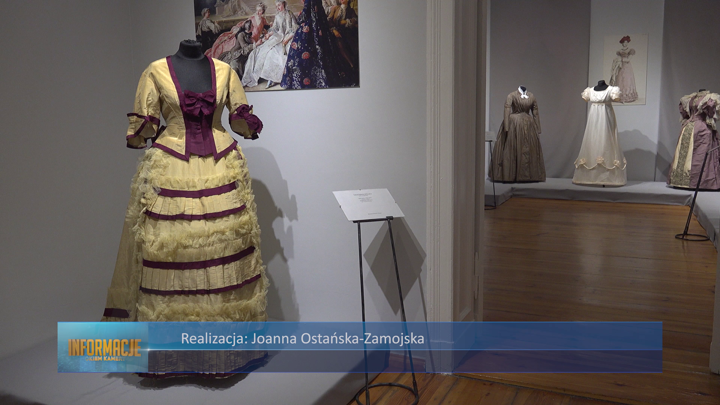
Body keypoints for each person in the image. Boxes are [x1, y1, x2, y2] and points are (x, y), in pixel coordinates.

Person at [102, 40, 267, 376]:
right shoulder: (155, 70)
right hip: (171, 166)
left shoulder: (225, 70)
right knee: (172, 251)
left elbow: (239, 118)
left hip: (221, 164)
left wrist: (246, 121)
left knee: (222, 246)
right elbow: (146, 124)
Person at [573, 83, 627, 186]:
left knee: (607, 142)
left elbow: (616, 98)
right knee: (592, 141)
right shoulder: (589, 91)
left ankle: (608, 177)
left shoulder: (612, 90)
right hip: (594, 119)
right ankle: (591, 177)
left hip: (606, 118)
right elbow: (585, 98)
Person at [281, 0, 343, 89]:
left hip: (308, 30)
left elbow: (304, 16)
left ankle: (307, 82)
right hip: (319, 27)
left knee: (300, 55)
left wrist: (300, 16)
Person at [490, 87, 546, 182]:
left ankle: (529, 176)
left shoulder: (531, 96)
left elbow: (535, 112)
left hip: (528, 125)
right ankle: (510, 175)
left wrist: (538, 128)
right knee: (512, 147)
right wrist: (506, 127)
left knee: (528, 147)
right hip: (514, 124)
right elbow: (507, 109)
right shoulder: (512, 95)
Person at [667, 91, 720, 189]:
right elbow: (684, 113)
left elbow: (711, 114)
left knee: (700, 155)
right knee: (684, 154)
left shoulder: (710, 97)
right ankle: (679, 180)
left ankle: (700, 183)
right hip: (688, 128)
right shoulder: (690, 97)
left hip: (702, 130)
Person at [242, 0, 299, 89]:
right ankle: (267, 77)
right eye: (276, 6)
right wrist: (269, 34)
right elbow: (275, 28)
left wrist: (287, 39)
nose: (277, 7)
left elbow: (294, 29)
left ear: (284, 4)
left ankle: (275, 78)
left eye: (279, 5)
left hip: (288, 38)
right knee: (263, 51)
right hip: (278, 37)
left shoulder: (289, 14)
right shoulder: (277, 16)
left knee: (278, 54)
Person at [327, 0, 359, 86]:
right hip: (336, 33)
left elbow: (355, 20)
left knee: (353, 48)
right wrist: (334, 30)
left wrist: (346, 21)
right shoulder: (336, 8)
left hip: (348, 33)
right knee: (340, 45)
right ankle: (351, 66)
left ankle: (353, 69)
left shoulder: (350, 10)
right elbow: (329, 20)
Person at [609, 36, 638, 103]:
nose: (625, 44)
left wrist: (620, 59)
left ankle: (627, 96)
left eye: (626, 42)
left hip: (627, 67)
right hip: (620, 66)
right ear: (622, 43)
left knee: (627, 80)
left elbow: (628, 60)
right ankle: (619, 96)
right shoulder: (620, 51)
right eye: (624, 42)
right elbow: (617, 59)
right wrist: (617, 61)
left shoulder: (630, 50)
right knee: (620, 79)